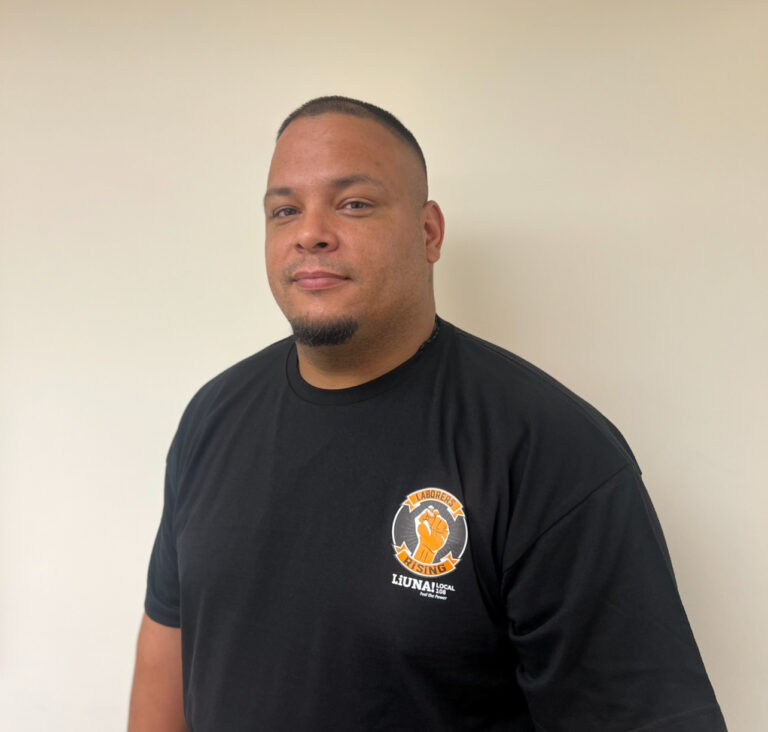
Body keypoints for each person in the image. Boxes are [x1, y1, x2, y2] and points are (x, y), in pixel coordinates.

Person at [128, 96, 727, 732]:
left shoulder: (550, 450)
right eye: (285, 211)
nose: (310, 233)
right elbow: (168, 648)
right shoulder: (213, 417)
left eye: (354, 203)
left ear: (429, 232)